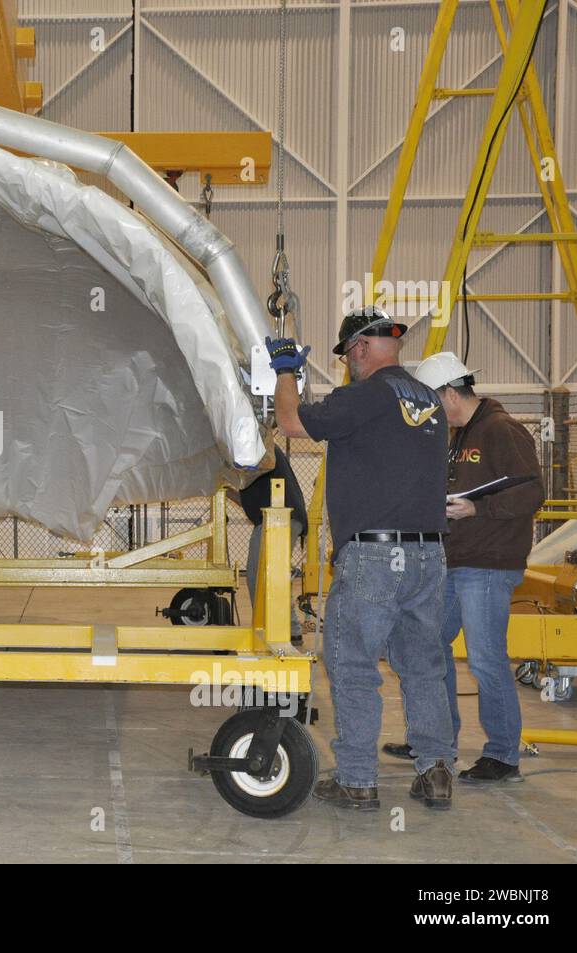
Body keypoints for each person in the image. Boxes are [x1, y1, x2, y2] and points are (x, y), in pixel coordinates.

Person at [269, 306, 456, 811]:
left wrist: (285, 370)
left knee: (352, 667)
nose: (349, 364)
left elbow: (290, 422)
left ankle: (356, 779)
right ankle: (436, 770)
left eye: (349, 355)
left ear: (358, 348)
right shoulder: (430, 403)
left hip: (376, 556)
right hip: (428, 554)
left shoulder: (364, 396)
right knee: (423, 667)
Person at [383, 352, 544, 783]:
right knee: (431, 645)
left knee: (487, 658)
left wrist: (476, 510)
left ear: (449, 394)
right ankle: (436, 741)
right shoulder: (459, 436)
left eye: (432, 401)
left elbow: (531, 493)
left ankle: (503, 754)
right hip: (458, 563)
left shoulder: (501, 431)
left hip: (488, 566)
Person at [235, 443, 307, 641]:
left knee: (261, 575)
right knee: (263, 575)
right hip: (276, 516)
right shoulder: (255, 447)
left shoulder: (253, 444)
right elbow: (245, 488)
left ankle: (283, 630)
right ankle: (288, 629)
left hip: (279, 516)